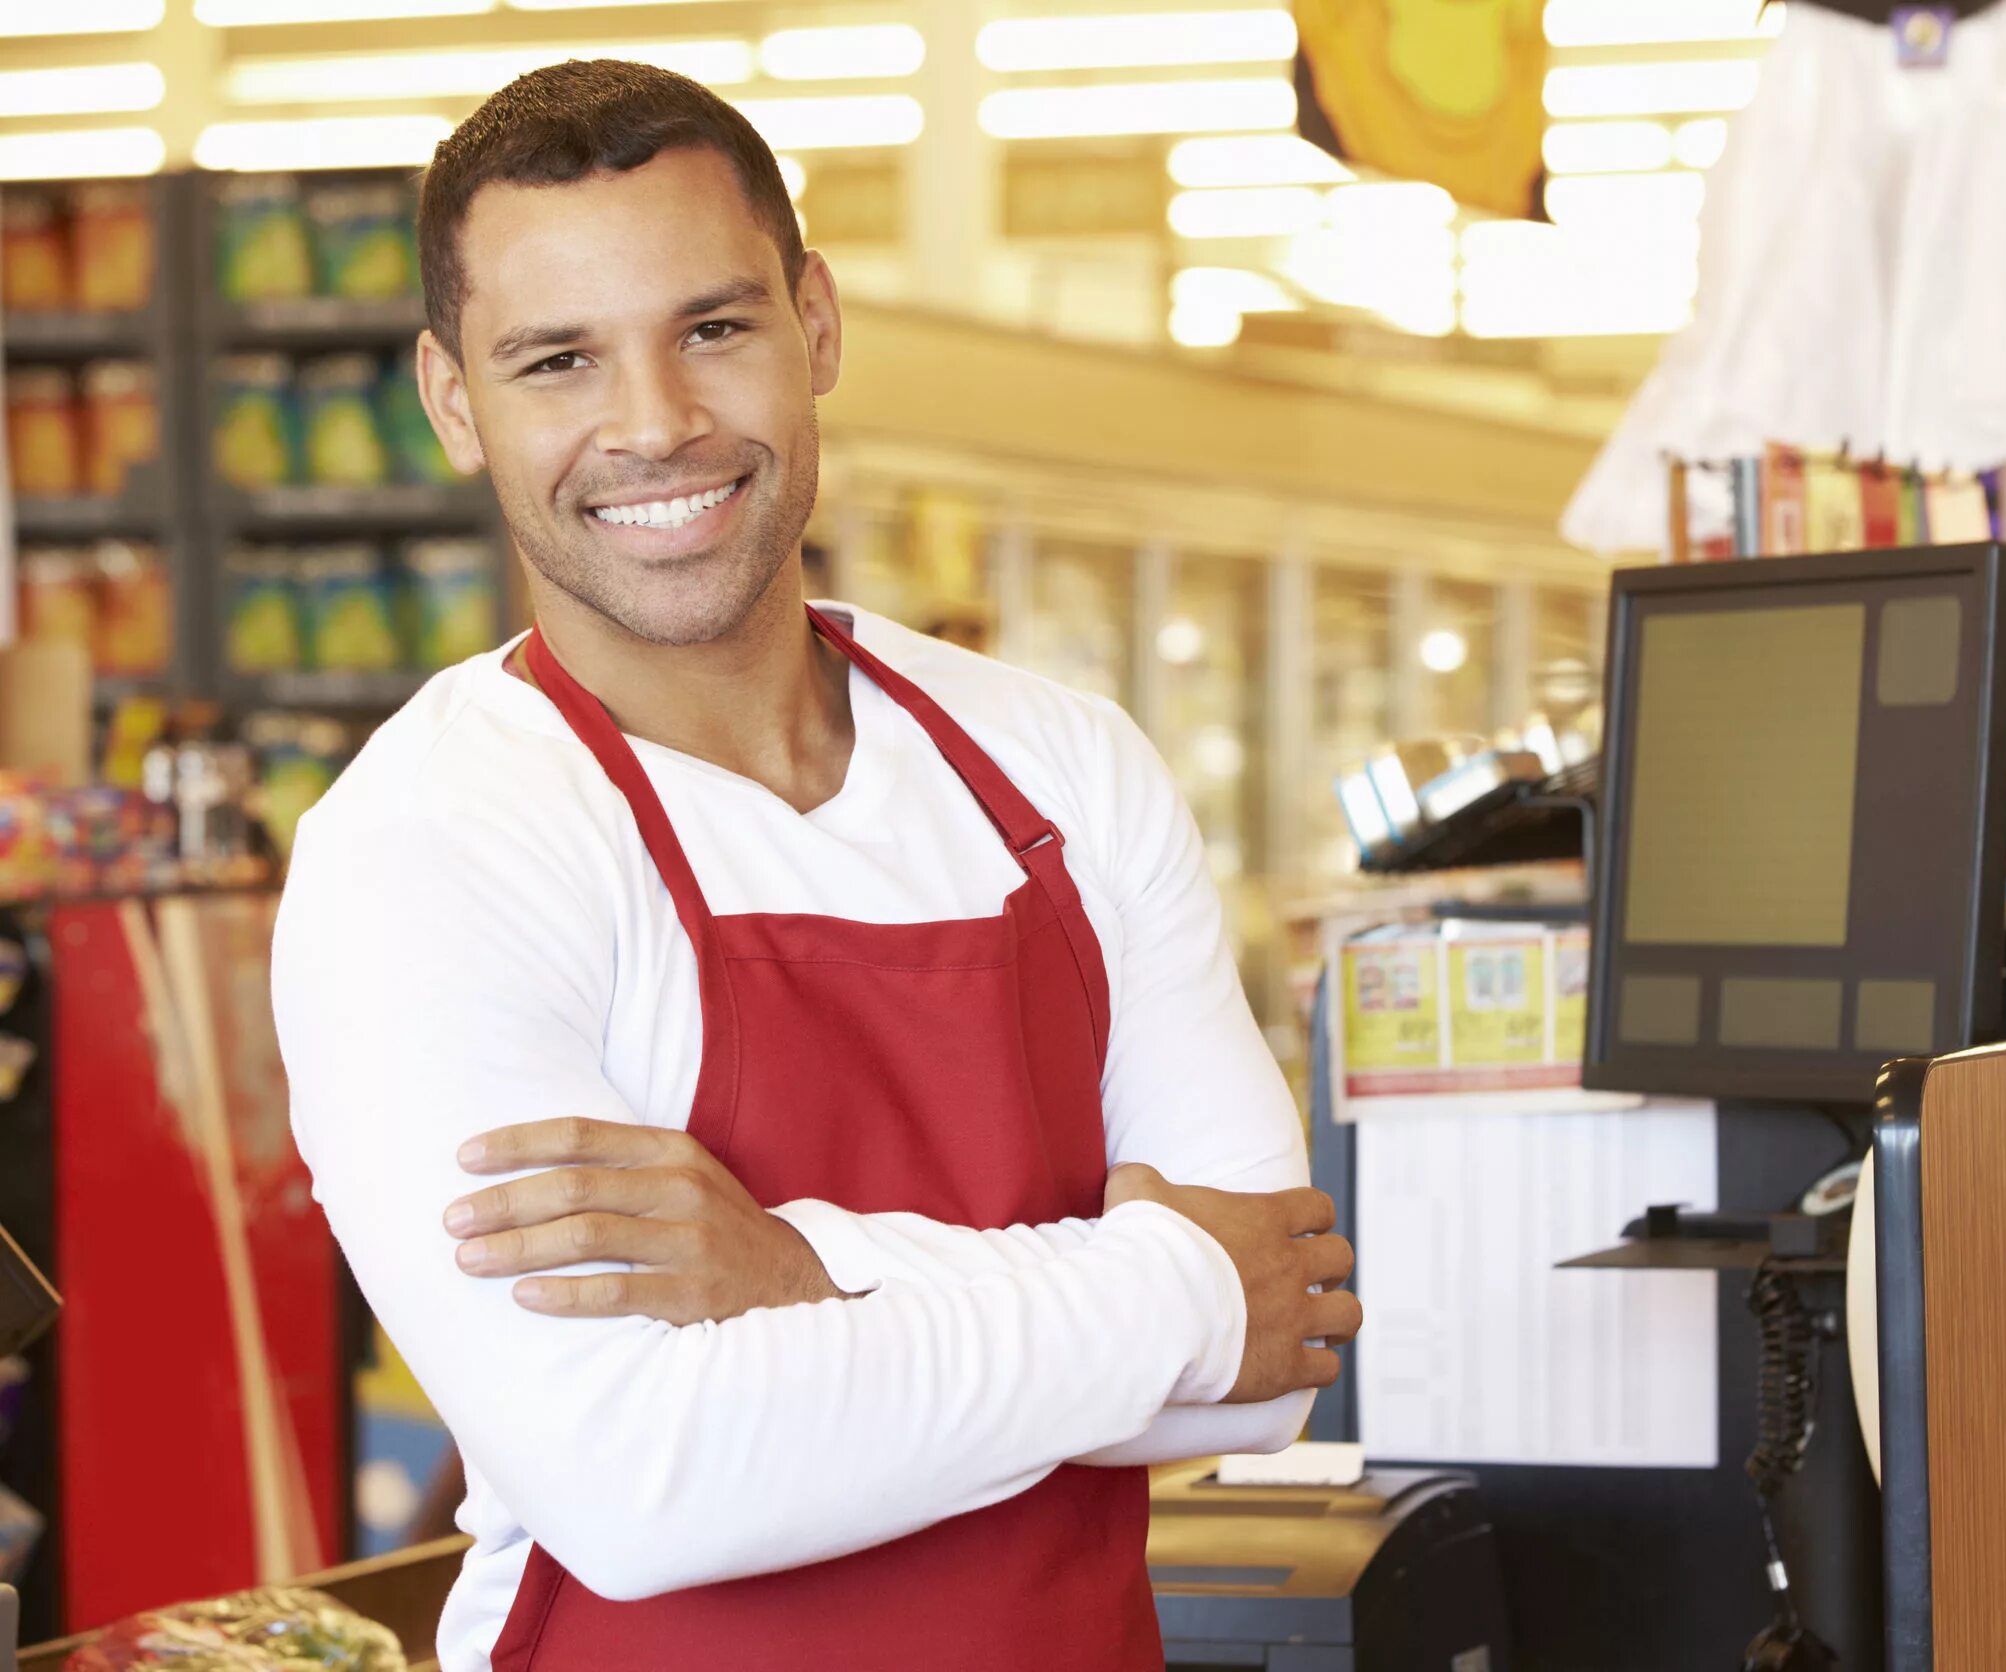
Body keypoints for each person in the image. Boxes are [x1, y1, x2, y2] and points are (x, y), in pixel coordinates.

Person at [272, 60, 1358, 1672]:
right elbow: (646, 1482)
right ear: (453, 402)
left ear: (817, 326)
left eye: (712, 330)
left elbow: (1280, 1357)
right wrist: (1169, 1293)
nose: (655, 425)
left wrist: (803, 1269)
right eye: (559, 359)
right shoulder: (431, 845)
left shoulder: (1058, 765)